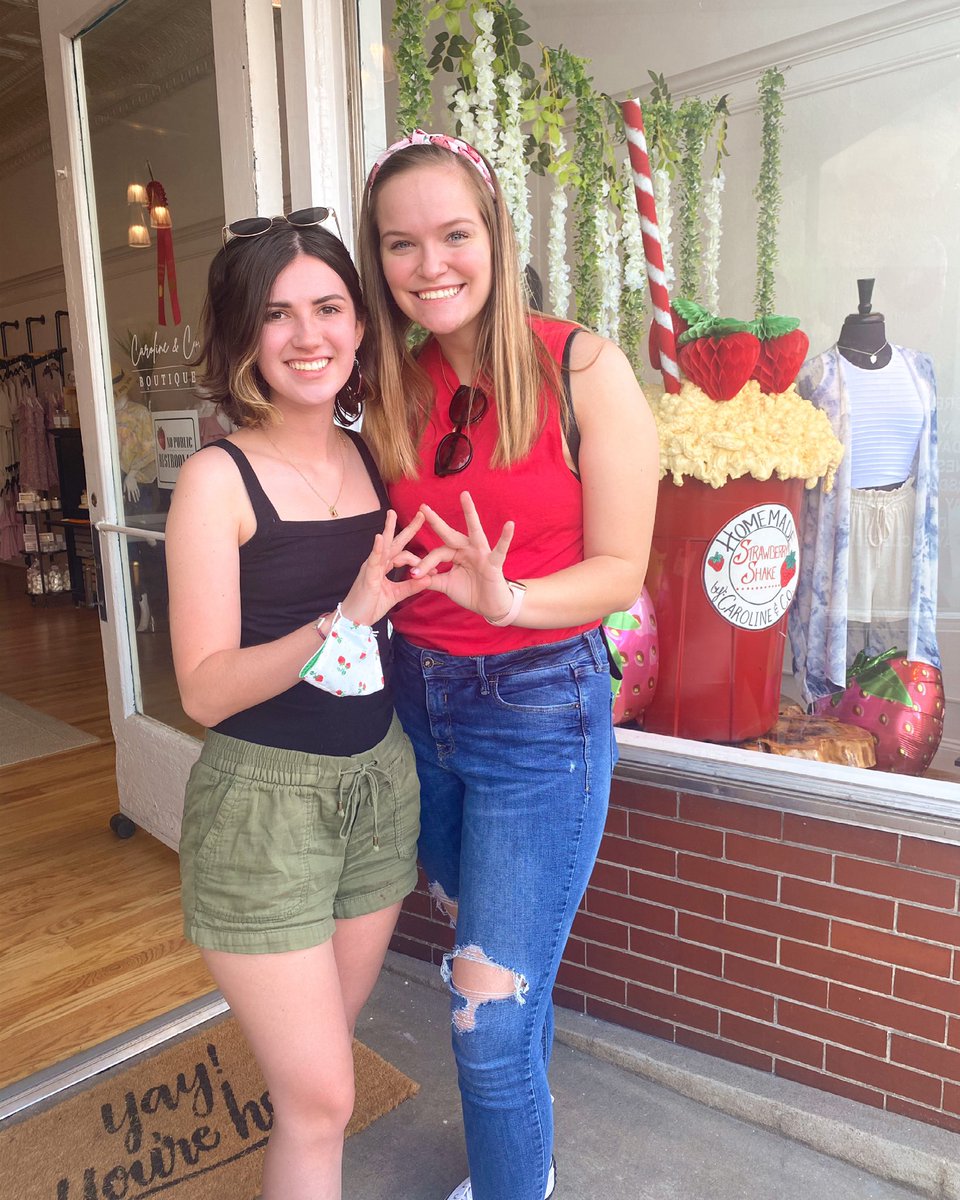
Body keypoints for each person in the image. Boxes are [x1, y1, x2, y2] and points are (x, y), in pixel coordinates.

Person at [357, 131, 660, 1200]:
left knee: (484, 1022)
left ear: (496, 234)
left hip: (537, 715)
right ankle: (520, 1163)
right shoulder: (387, 381)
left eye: (454, 234)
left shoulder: (583, 365)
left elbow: (621, 570)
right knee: (502, 1000)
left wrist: (513, 599)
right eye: (402, 243)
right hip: (417, 709)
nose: (430, 264)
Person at [165, 212, 430, 1200]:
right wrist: (344, 618)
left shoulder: (376, 455)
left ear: (362, 328)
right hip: (262, 812)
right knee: (324, 1100)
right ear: (242, 339)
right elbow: (204, 687)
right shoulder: (215, 479)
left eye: (327, 307)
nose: (307, 334)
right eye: (276, 315)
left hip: (378, 789)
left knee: (313, 1090)